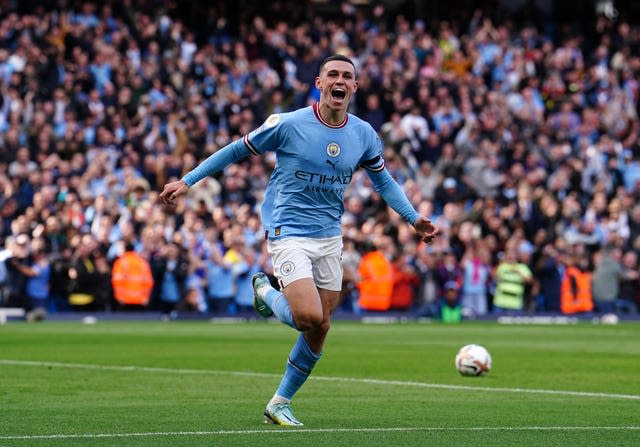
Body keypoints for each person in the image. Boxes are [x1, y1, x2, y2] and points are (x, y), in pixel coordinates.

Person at [160, 54, 438, 426]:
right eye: (332, 75)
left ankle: (279, 402)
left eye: (347, 76)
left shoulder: (364, 134)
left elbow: (383, 181)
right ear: (319, 83)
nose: (340, 81)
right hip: (287, 231)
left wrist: (414, 218)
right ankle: (265, 292)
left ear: (354, 87)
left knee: (322, 327)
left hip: (330, 236)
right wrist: (188, 180)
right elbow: (235, 150)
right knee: (308, 316)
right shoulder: (288, 124)